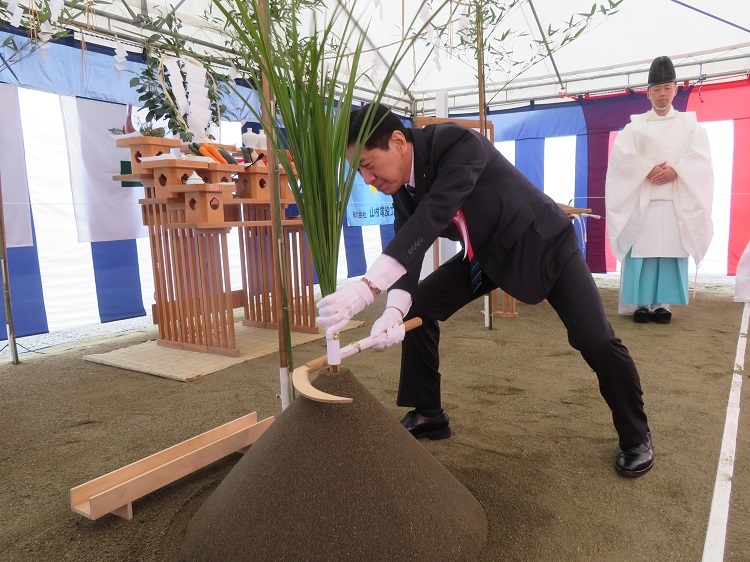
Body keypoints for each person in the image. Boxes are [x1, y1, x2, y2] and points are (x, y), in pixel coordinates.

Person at [316, 103, 653, 477]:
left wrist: (367, 286)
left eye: (367, 164)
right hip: (487, 255)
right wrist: (394, 310)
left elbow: (433, 217)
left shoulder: (458, 144)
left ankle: (636, 435)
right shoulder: (401, 187)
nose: (367, 179)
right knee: (417, 308)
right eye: (358, 171)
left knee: (594, 339)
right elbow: (408, 246)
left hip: (542, 243)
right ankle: (428, 411)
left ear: (397, 141)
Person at [605, 55, 714, 324]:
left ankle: (663, 304)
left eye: (667, 88)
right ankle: (641, 304)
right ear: (648, 93)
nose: (662, 94)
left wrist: (677, 169)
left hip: (675, 199)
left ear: (676, 89)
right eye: (657, 89)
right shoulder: (635, 126)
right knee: (641, 251)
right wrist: (647, 168)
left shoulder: (690, 126)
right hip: (644, 200)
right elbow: (621, 157)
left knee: (669, 251)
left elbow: (701, 158)